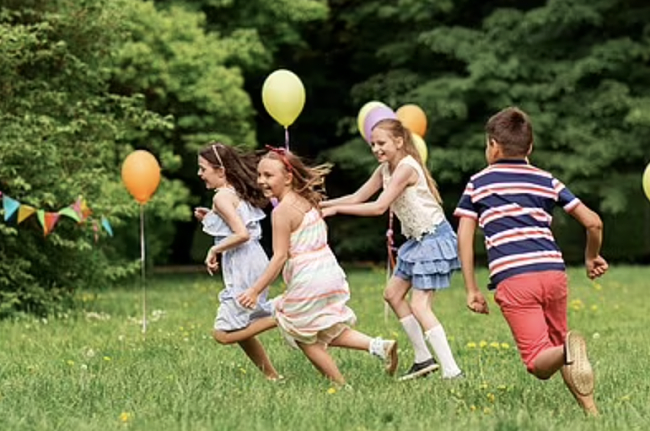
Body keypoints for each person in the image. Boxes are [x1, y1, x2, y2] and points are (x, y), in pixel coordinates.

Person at [454, 107, 608, 415]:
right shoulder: (546, 180)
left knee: (539, 362)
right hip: (553, 273)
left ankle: (568, 349)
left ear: (493, 145)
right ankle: (592, 411)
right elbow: (593, 223)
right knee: (558, 347)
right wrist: (591, 257)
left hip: (515, 278)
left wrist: (471, 289)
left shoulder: (479, 183)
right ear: (530, 147)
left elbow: (464, 237)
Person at [237, 147, 399, 386]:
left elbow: (280, 256)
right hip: (329, 272)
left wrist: (254, 290)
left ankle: (341, 387)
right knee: (323, 327)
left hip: (308, 278)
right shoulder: (308, 200)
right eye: (259, 175)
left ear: (288, 177)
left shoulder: (281, 212)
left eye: (268, 175)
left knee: (301, 333)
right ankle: (378, 346)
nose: (261, 181)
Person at [320, 118, 463, 381]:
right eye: (372, 144)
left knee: (420, 306)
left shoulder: (406, 168)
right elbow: (357, 197)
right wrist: (320, 205)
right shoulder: (385, 169)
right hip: (417, 241)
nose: (376, 148)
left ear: (399, 142)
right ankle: (423, 359)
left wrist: (336, 210)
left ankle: (452, 371)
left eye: (381, 143)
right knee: (393, 294)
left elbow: (378, 206)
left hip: (433, 239)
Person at [195, 143, 280, 380]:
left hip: (244, 264)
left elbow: (241, 233)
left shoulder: (222, 196)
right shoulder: (232, 192)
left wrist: (215, 249)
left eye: (203, 169)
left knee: (223, 333)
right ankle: (272, 376)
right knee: (240, 327)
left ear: (220, 171)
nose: (200, 174)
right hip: (252, 260)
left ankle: (282, 316)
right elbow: (238, 224)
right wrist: (210, 217)